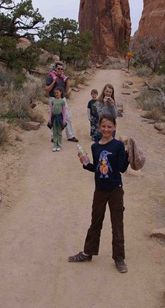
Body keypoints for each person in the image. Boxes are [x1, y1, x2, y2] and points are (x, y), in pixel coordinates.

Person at [68, 114, 129, 273]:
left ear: (114, 127)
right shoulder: (95, 147)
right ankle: (88, 252)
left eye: (109, 126)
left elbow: (122, 168)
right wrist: (86, 163)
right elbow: (97, 168)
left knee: (117, 223)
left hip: (116, 190)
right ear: (99, 127)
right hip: (100, 190)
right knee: (96, 221)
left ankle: (119, 258)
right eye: (104, 126)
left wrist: (128, 154)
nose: (106, 129)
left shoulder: (118, 146)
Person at [45, 61, 78, 142]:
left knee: (67, 116)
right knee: (53, 117)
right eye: (58, 69)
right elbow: (47, 90)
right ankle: (53, 136)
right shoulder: (51, 77)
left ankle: (70, 136)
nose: (60, 70)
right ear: (55, 69)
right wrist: (53, 81)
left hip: (62, 99)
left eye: (61, 69)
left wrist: (67, 83)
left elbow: (66, 91)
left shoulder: (63, 78)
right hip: (53, 99)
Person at [48, 87, 66, 152]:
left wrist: (64, 120)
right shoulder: (52, 101)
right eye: (55, 93)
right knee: (54, 132)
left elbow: (64, 112)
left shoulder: (62, 101)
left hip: (60, 118)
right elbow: (50, 111)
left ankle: (59, 145)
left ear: (60, 92)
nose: (56, 94)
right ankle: (55, 145)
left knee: (59, 132)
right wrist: (49, 119)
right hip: (54, 118)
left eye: (57, 93)